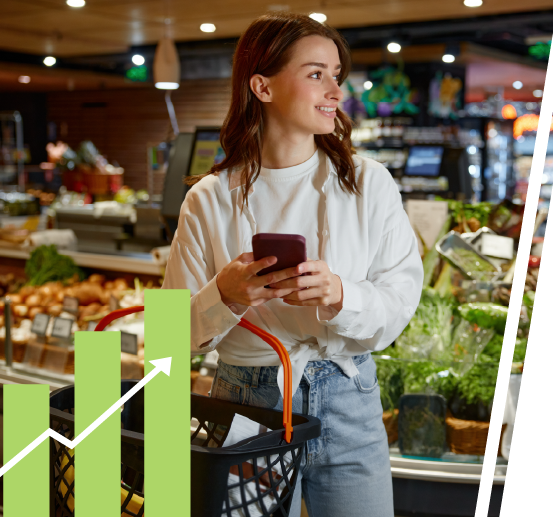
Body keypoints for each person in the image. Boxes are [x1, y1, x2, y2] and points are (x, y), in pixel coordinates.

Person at [161, 11, 422, 516]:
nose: (335, 91)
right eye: (316, 74)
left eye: (337, 76)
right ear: (262, 86)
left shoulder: (369, 183)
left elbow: (400, 299)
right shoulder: (207, 199)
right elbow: (169, 335)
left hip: (348, 395)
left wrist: (342, 295)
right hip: (247, 404)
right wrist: (226, 295)